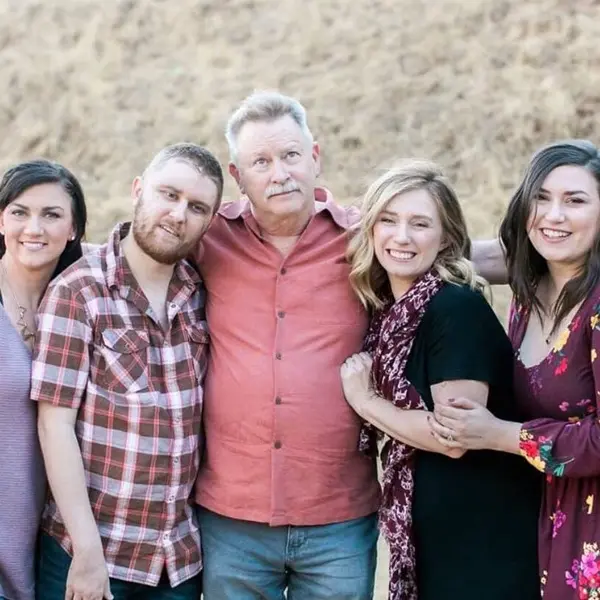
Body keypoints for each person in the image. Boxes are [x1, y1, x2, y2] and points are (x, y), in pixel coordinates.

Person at [193, 90, 381, 599]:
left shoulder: (366, 241)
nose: (280, 173)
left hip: (338, 515)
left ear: (314, 158)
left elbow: (441, 250)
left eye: (291, 156)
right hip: (232, 517)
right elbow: (138, 250)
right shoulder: (207, 239)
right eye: (261, 161)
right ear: (238, 176)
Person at [340, 160, 540, 600]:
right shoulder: (391, 314)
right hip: (436, 532)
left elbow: (455, 435)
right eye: (388, 221)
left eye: (420, 224)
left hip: (485, 533)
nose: (402, 237)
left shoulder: (454, 309)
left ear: (447, 238)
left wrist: (366, 400)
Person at [32, 143, 223, 600]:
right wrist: (86, 550)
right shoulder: (79, 290)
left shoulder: (201, 296)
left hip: (176, 562)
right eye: (168, 195)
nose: (178, 215)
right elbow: (54, 425)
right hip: (92, 555)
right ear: (138, 190)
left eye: (196, 207)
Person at [429, 139, 600, 600]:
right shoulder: (532, 286)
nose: (553, 215)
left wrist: (499, 434)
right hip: (542, 517)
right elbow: (464, 253)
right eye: (541, 198)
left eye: (575, 201)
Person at [0, 159, 86, 600]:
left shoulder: (83, 302)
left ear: (73, 228)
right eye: (19, 211)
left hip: (50, 549)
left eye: (51, 214)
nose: (34, 227)